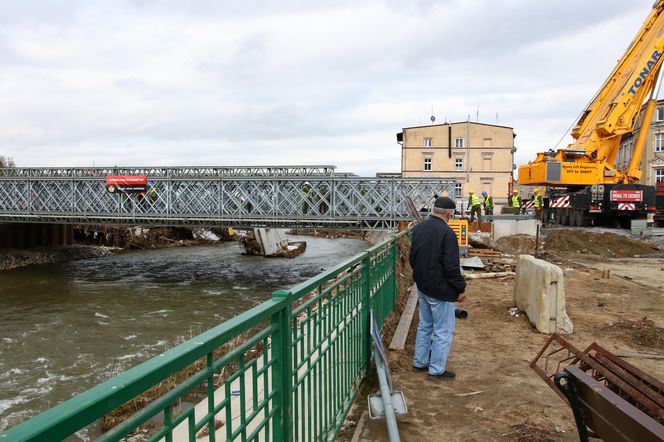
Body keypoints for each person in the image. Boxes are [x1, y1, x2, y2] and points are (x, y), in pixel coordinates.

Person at [410, 196, 467, 381]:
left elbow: (413, 257)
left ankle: (420, 362)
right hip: (439, 290)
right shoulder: (447, 233)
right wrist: (460, 288)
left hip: (423, 286)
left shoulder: (419, 228)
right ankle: (436, 370)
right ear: (449, 213)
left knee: (425, 325)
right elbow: (451, 267)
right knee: (443, 330)